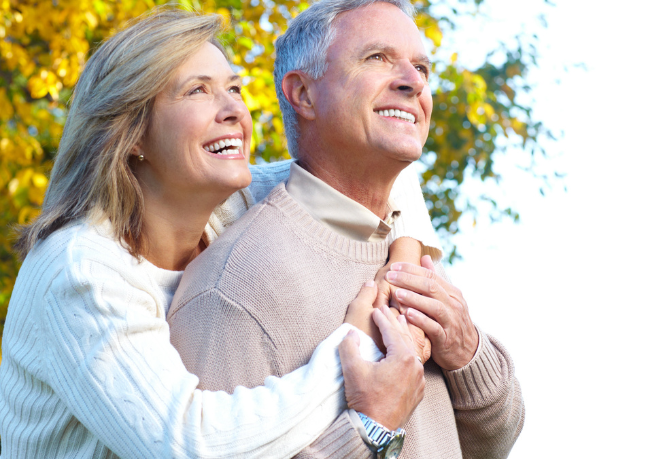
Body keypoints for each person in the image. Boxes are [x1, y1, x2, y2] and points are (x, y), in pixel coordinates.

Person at [0, 9, 438, 458]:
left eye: (233, 89)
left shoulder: (229, 208)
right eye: (198, 91)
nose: (233, 110)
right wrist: (357, 349)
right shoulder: (80, 269)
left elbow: (381, 165)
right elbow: (189, 445)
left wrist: (400, 275)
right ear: (131, 133)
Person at [167, 0, 525, 457]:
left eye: (421, 67)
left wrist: (467, 352)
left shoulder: (412, 254)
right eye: (377, 58)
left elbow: (490, 445)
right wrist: (371, 430)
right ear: (303, 95)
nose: (413, 82)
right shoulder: (233, 288)